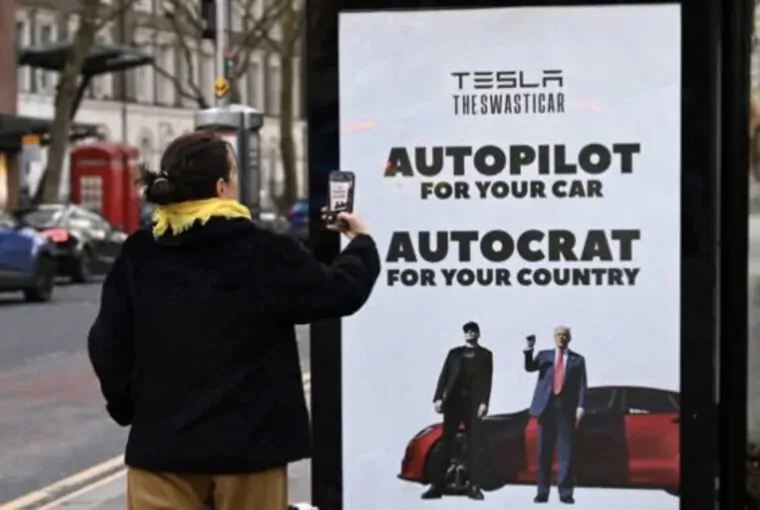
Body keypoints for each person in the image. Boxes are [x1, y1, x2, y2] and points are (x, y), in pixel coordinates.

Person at [87, 131, 380, 510]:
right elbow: (340, 291)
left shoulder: (140, 254)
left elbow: (106, 344)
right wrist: (360, 244)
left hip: (160, 453)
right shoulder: (263, 251)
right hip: (250, 452)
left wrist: (131, 409)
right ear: (222, 187)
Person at [422, 321, 493, 500]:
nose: (469, 333)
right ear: (464, 334)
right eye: (466, 331)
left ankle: (474, 487)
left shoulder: (486, 355)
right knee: (445, 444)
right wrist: (438, 397)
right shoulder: (454, 354)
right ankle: (436, 486)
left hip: (473, 404)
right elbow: (444, 375)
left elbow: (487, 380)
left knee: (474, 445)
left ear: (478, 333)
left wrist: (484, 402)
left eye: (472, 331)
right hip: (453, 403)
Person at [524, 326, 588, 504]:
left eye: (565, 335)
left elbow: (582, 384)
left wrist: (581, 405)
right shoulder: (545, 356)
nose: (561, 338)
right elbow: (530, 367)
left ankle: (565, 493)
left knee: (565, 454)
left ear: (569, 338)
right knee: (543, 453)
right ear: (554, 338)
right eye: (558, 335)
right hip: (546, 409)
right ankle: (542, 492)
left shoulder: (578, 360)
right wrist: (529, 350)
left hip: (566, 411)